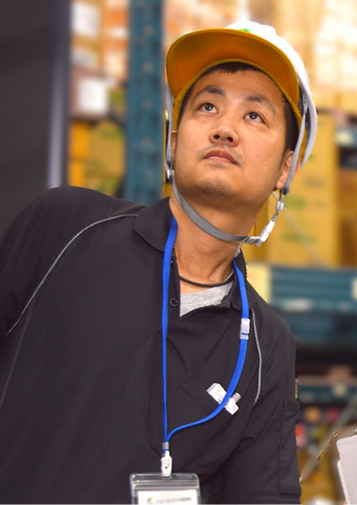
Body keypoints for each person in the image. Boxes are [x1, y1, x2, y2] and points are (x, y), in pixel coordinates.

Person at [0, 21, 316, 503]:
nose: (225, 128)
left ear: (284, 169)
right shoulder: (66, 227)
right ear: (172, 140)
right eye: (207, 106)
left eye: (255, 115)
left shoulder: (266, 346)